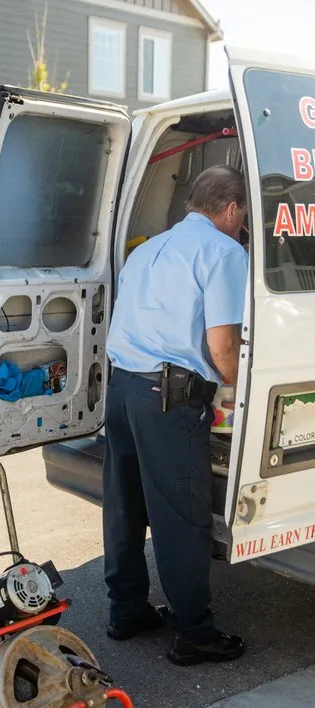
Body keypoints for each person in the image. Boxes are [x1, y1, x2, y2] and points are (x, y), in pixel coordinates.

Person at [102, 165, 248, 666]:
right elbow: (223, 346)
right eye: (242, 216)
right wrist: (241, 390)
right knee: (181, 517)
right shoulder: (224, 251)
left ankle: (127, 610)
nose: (242, 225)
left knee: (125, 504)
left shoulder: (146, 249)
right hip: (169, 397)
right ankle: (195, 632)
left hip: (122, 388)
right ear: (230, 209)